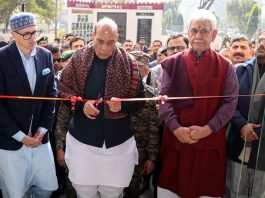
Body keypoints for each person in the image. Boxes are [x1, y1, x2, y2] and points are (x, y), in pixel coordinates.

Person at [58, 17, 145, 198]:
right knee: (84, 192)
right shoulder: (77, 59)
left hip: (119, 145)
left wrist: (123, 106)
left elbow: (141, 100)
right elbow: (64, 92)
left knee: (113, 193)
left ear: (117, 38)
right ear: (93, 36)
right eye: (100, 42)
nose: (105, 48)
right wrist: (81, 106)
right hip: (82, 143)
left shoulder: (130, 63)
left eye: (110, 42)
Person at [157, 9, 239, 198]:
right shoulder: (172, 63)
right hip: (177, 144)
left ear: (214, 34)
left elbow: (229, 103)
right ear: (188, 33)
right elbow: (164, 99)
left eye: (204, 31)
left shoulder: (225, 66)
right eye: (194, 31)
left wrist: (208, 129)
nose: (198, 36)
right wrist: (176, 129)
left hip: (208, 146)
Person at [0, 12, 58, 198]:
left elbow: (51, 95)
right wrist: (19, 136)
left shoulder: (45, 55)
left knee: (47, 188)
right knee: (14, 193)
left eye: (35, 32)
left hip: (40, 139)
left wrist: (42, 129)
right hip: (11, 141)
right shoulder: (2, 58)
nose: (33, 38)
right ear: (14, 35)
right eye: (27, 34)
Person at [225, 33, 265, 198]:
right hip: (239, 141)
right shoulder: (239, 70)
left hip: (263, 149)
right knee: (235, 192)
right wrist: (242, 124)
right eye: (261, 40)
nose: (262, 44)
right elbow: (228, 103)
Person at [124, 51, 160, 198]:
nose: (132, 72)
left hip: (139, 152)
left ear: (145, 70)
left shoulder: (151, 96)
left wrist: (152, 158)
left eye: (136, 68)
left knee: (133, 190)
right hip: (116, 149)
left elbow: (153, 129)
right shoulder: (116, 91)